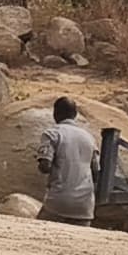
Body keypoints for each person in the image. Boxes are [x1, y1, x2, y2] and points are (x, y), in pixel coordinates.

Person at [35, 96, 98, 224]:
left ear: (55, 114)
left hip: (58, 202)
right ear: (75, 115)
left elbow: (45, 166)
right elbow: (96, 173)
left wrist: (40, 159)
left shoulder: (52, 133)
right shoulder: (89, 138)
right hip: (84, 206)